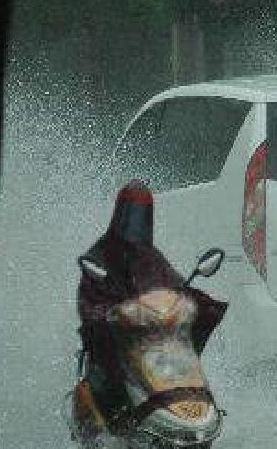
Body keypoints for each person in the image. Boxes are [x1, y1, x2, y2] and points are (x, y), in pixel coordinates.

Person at [76, 179, 224, 427]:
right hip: (120, 345)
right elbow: (92, 303)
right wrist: (115, 313)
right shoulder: (100, 255)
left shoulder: (153, 258)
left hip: (156, 344)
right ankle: (113, 426)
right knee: (107, 383)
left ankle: (194, 411)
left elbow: (173, 285)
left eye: (142, 214)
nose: (136, 221)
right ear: (119, 213)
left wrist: (187, 298)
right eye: (131, 212)